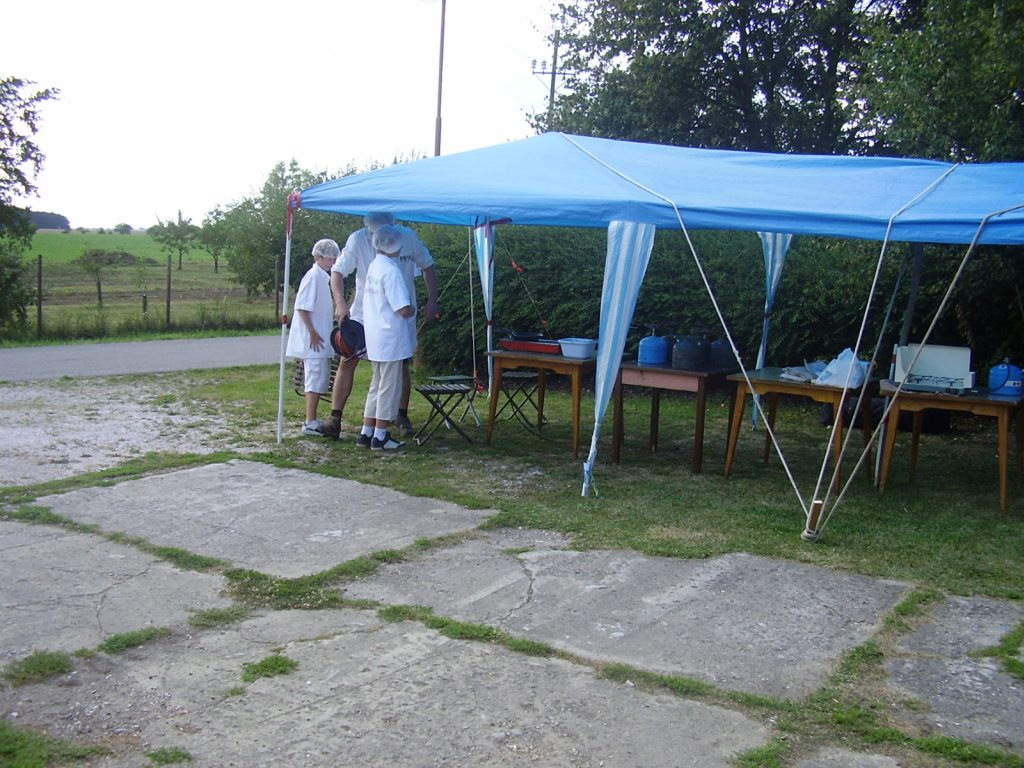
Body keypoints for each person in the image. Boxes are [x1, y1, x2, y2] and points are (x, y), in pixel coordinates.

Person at [323, 212, 438, 439]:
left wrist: (432, 300)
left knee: (396, 369)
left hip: (395, 318)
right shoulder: (361, 242)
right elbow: (337, 271)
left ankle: (394, 419)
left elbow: (428, 265)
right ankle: (342, 420)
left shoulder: (405, 239)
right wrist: (340, 302)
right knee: (352, 361)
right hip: (368, 312)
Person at [356, 225, 416, 451]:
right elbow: (402, 308)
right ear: (395, 246)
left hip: (375, 334)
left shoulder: (374, 266)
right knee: (389, 387)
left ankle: (367, 431)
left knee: (376, 384)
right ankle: (380, 435)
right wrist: (413, 309)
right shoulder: (391, 271)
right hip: (391, 337)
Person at [285, 238, 339, 436]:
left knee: (320, 379)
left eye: (334, 259)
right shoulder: (313, 276)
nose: (332, 262)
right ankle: (310, 421)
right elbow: (302, 307)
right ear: (318, 257)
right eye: (329, 259)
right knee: (314, 379)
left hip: (321, 337)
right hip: (313, 339)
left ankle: (312, 419)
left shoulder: (323, 277)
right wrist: (313, 332)